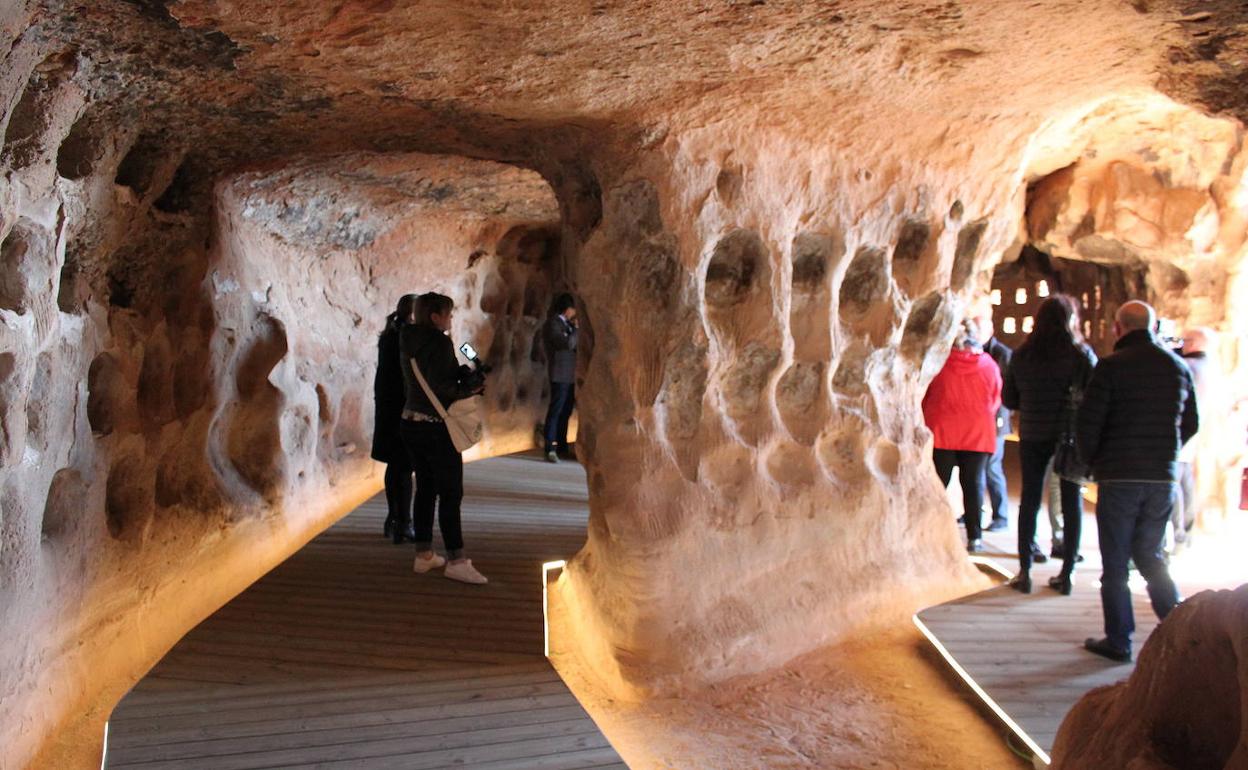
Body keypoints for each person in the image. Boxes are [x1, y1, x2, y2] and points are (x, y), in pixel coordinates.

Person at [1077, 300, 1198, 662]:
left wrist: (1094, 461)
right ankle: (1177, 627)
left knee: (1115, 562)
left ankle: (1119, 639)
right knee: (1151, 555)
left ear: (1118, 328)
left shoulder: (1111, 367)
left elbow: (1089, 422)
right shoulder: (1177, 367)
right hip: (1162, 477)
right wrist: (1166, 452)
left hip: (1120, 474)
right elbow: (1191, 422)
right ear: (1154, 326)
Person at [1001, 294, 1096, 594]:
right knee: (1071, 501)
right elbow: (1093, 394)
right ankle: (1067, 572)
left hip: (1033, 432)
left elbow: (1009, 399)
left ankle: (1025, 570)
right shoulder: (1081, 355)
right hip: (1068, 434)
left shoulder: (1023, 355)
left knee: (1030, 499)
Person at [399, 292, 489, 585]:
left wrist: (458, 376)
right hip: (436, 427)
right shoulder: (439, 341)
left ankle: (423, 555)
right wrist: (472, 385)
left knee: (425, 488)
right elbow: (445, 387)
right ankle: (457, 560)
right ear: (436, 316)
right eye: (448, 314)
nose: (450, 319)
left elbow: (430, 379)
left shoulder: (406, 337)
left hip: (411, 421)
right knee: (451, 493)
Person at [922, 318, 1002, 553]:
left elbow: (927, 396)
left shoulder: (941, 364)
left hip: (943, 432)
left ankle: (929, 531)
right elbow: (996, 398)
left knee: (937, 486)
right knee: (974, 486)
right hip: (977, 435)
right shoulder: (988, 365)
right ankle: (974, 536)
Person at [371, 294, 419, 544]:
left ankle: (393, 518)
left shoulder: (389, 335)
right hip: (404, 409)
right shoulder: (408, 338)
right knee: (405, 467)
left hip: (388, 408)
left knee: (395, 466)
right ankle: (405, 522)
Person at [1174, 326, 1215, 549]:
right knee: (1187, 483)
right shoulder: (1211, 367)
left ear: (1198, 343)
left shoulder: (1188, 366)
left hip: (1182, 433)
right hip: (1197, 435)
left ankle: (1179, 536)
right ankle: (1186, 534)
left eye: (1187, 340)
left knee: (1175, 486)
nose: (1183, 344)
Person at [976, 313, 1012, 533]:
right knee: (976, 468)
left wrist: (998, 417)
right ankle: (975, 511)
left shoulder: (1002, 355)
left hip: (996, 420)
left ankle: (1001, 515)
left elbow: (1005, 391)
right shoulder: (977, 353)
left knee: (992, 467)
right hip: (978, 420)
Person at [542, 293, 578, 463]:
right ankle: (550, 447)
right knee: (556, 410)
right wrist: (576, 329)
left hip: (570, 375)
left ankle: (562, 445)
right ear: (567, 308)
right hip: (559, 373)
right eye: (573, 308)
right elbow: (567, 344)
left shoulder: (567, 325)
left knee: (566, 411)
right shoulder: (553, 324)